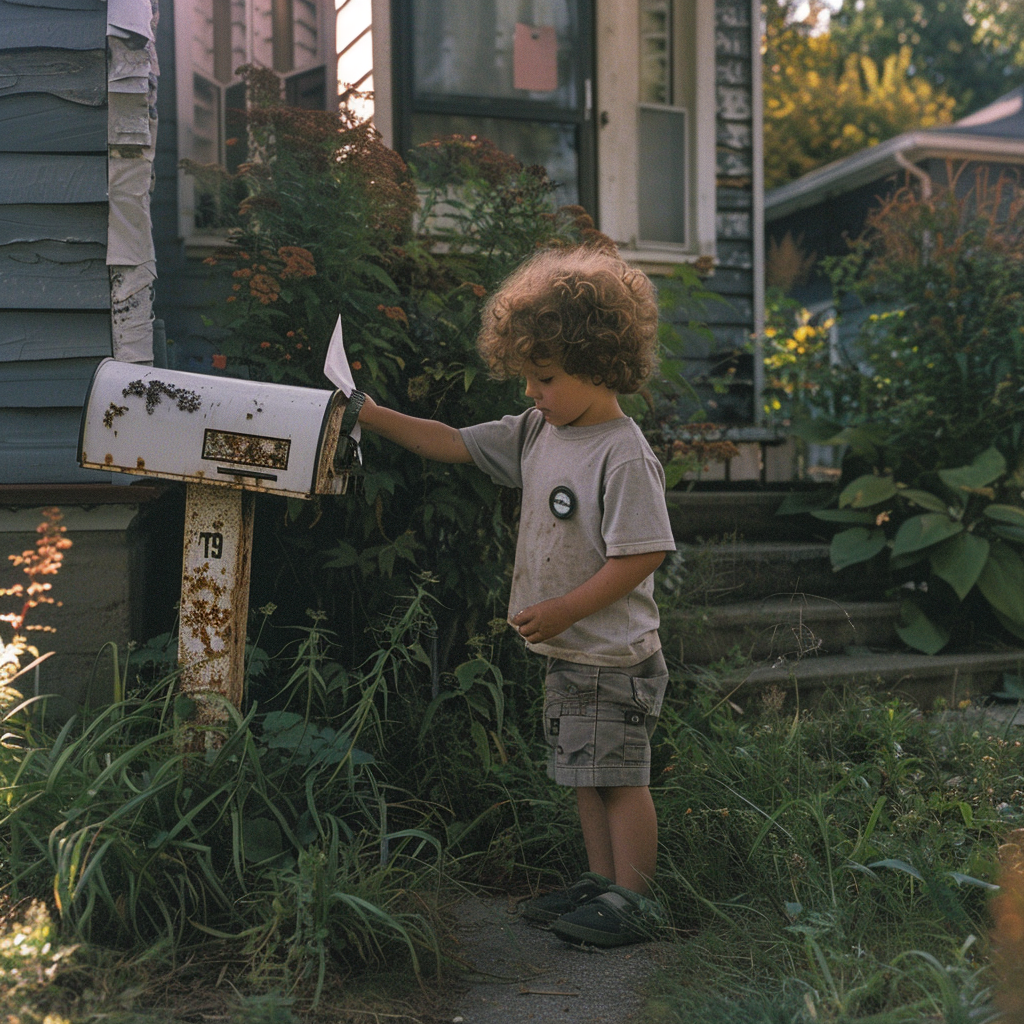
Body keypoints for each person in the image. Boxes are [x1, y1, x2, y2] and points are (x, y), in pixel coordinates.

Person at [356, 244, 676, 947]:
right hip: (573, 652)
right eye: (529, 377)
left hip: (613, 653)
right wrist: (374, 417)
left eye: (546, 378)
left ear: (601, 362)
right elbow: (455, 443)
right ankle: (601, 883)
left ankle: (637, 898)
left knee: (620, 778)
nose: (533, 393)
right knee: (583, 774)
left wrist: (565, 607)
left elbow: (644, 552)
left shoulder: (622, 453)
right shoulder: (539, 431)